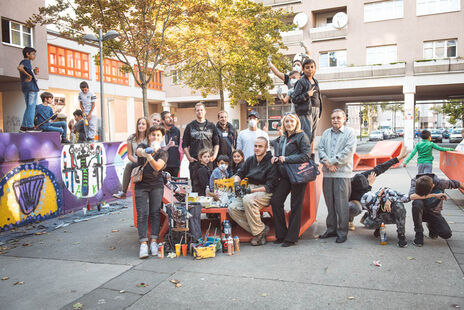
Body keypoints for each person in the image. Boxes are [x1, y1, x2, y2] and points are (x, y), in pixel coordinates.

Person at [270, 114, 311, 247]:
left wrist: (287, 159)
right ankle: (281, 234)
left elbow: (306, 156)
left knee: (295, 206)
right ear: (283, 124)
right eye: (286, 121)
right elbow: (281, 154)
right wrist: (276, 158)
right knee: (276, 201)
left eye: (291, 121)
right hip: (285, 175)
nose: (289, 123)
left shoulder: (301, 136)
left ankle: (292, 238)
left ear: (296, 123)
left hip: (297, 175)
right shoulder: (282, 138)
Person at [228, 137, 277, 246]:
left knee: (247, 200)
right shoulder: (250, 159)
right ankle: (261, 230)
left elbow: (269, 186)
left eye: (260, 146)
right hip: (249, 189)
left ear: (266, 147)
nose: (257, 148)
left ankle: (258, 234)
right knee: (232, 208)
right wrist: (236, 184)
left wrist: (250, 190)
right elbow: (240, 174)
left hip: (264, 191)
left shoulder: (271, 162)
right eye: (255, 146)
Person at [348, 147, 409, 231]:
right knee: (353, 207)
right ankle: (348, 220)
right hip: (353, 202)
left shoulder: (363, 176)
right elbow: (365, 197)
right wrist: (370, 185)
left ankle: (365, 218)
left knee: (378, 200)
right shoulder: (348, 185)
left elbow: (380, 168)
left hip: (364, 200)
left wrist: (398, 158)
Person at [318, 109, 356, 243]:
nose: (335, 120)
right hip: (328, 174)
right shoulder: (326, 133)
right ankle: (331, 229)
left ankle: (342, 232)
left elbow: (348, 151)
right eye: (333, 118)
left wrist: (332, 162)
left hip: (342, 174)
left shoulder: (350, 133)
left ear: (344, 118)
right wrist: (327, 164)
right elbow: (321, 148)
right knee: (330, 205)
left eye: (338, 118)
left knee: (341, 205)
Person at [134, 125, 168, 258]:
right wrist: (145, 152)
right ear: (149, 136)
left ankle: (154, 241)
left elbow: (158, 166)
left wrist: (149, 156)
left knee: (155, 213)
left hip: (156, 185)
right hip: (141, 185)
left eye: (158, 135)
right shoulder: (142, 145)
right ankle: (143, 243)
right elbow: (138, 152)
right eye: (153, 134)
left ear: (162, 138)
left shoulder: (163, 153)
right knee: (142, 213)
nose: (155, 137)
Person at [408, 174, 463, 247]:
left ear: (433, 186)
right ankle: (419, 232)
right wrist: (434, 195)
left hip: (434, 212)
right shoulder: (416, 181)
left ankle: (431, 225)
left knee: (446, 234)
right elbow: (411, 196)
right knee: (417, 202)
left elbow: (459, 184)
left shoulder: (441, 183)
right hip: (420, 212)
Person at [182, 102, 219, 193]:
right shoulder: (190, 126)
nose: (200, 112)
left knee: (209, 186)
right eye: (198, 110)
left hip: (208, 161)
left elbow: (217, 143)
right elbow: (184, 144)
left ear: (205, 111)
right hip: (195, 162)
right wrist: (189, 157)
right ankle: (197, 207)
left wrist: (214, 156)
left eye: (201, 110)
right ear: (195, 112)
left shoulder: (211, 126)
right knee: (196, 187)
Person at [291, 58, 323, 151]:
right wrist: (306, 95)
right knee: (306, 136)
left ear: (315, 68)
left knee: (312, 136)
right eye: (307, 67)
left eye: (312, 67)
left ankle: (310, 158)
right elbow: (294, 98)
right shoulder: (301, 82)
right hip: (306, 111)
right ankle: (304, 159)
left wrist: (320, 112)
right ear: (303, 69)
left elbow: (319, 97)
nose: (310, 69)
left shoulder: (315, 81)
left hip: (316, 110)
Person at [113, 117, 148, 199]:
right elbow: (129, 155)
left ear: (147, 126)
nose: (141, 126)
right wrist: (137, 162)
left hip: (148, 161)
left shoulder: (149, 137)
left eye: (143, 124)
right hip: (136, 161)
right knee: (129, 165)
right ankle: (123, 192)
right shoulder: (131, 138)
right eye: (139, 124)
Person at [17, 47, 40, 132]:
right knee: (31, 107)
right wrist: (29, 75)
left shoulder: (26, 63)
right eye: (33, 54)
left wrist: (33, 73)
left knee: (28, 107)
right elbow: (20, 67)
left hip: (26, 87)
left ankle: (23, 126)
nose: (34, 56)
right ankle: (30, 126)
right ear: (27, 54)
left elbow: (22, 69)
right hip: (31, 88)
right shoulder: (26, 61)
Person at [161, 111, 181, 177]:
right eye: (167, 117)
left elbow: (178, 145)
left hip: (175, 163)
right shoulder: (160, 131)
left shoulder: (176, 130)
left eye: (171, 117)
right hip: (163, 163)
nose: (170, 119)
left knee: (174, 184)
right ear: (163, 121)